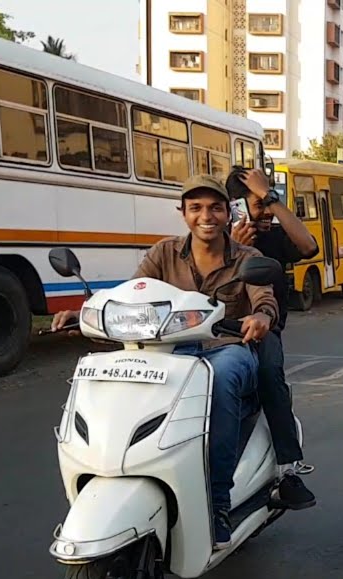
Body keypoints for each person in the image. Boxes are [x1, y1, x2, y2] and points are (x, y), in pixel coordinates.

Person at [51, 175, 278, 550]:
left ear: (227, 213)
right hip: (168, 352)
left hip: (225, 348)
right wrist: (84, 313)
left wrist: (262, 317)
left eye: (215, 208)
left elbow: (264, 298)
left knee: (220, 377)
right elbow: (131, 294)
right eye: (196, 208)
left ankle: (217, 500)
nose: (206, 216)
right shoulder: (163, 253)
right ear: (183, 213)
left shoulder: (247, 258)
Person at [224, 165, 320, 511]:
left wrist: (272, 198)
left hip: (261, 331)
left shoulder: (275, 238)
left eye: (267, 203)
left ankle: (287, 468)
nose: (265, 213)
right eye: (257, 204)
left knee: (269, 375)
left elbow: (309, 246)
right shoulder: (216, 241)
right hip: (210, 333)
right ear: (235, 207)